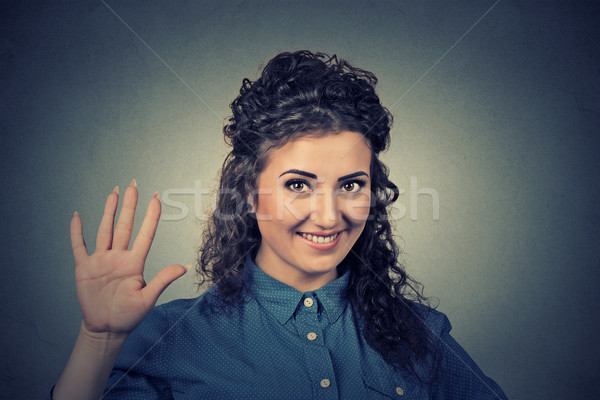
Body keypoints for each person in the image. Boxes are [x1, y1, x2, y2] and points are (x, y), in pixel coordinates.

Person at [50, 50, 507, 399]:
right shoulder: (169, 340)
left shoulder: (420, 333)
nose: (329, 216)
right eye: (298, 185)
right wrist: (99, 340)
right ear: (249, 192)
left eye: (351, 185)